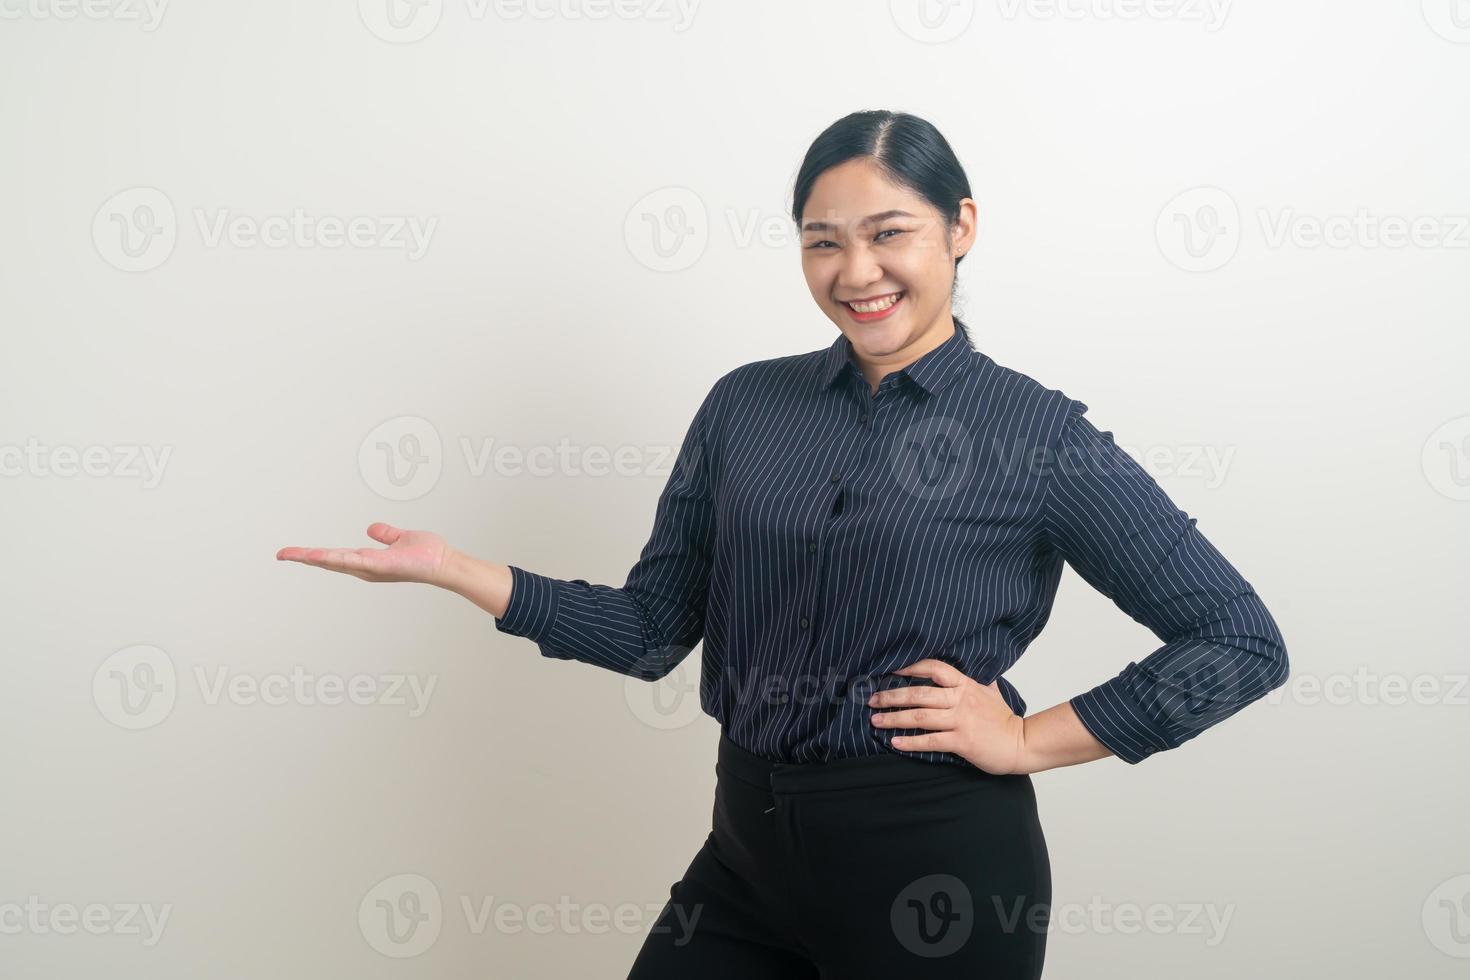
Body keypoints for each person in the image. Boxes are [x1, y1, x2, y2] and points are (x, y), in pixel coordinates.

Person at [277, 109, 1289, 978]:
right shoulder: (745, 406)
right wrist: (458, 570)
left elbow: (1240, 639)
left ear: (961, 227)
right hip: (746, 850)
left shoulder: (1041, 436)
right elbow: (651, 629)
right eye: (822, 241)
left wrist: (1028, 737)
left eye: (889, 232)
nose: (857, 272)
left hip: (934, 865)